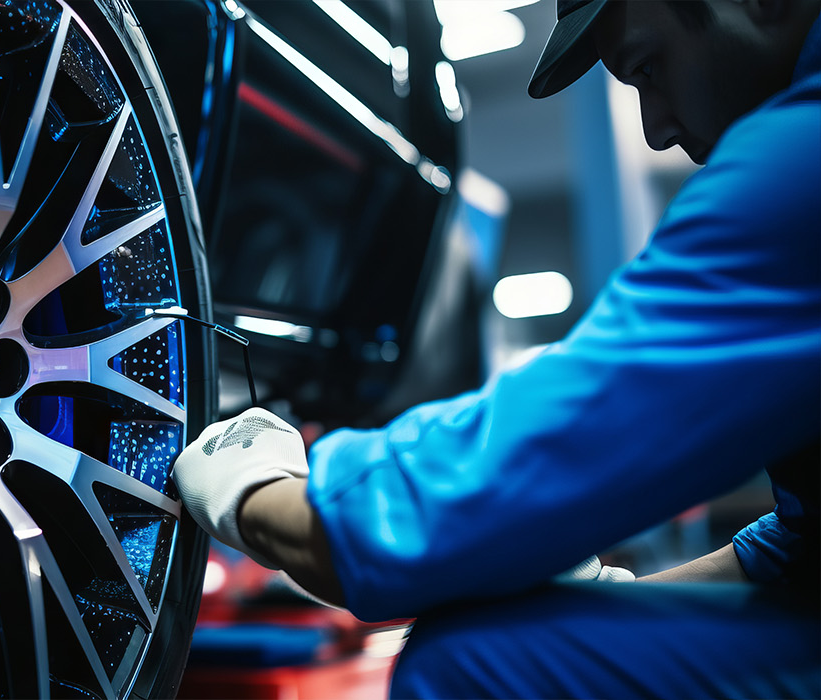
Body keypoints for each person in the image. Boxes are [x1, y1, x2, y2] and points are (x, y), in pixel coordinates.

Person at [173, 0, 821, 696]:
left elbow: (469, 499)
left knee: (468, 662)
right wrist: (617, 596)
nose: (656, 129)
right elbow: (802, 550)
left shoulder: (802, 165)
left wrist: (257, 494)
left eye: (648, 68)